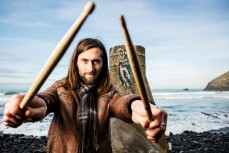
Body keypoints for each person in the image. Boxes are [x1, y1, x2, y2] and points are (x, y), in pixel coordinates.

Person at [3, 38, 167, 153]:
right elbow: (45, 99)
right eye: (85, 60)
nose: (91, 67)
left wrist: (140, 107)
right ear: (75, 62)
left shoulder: (108, 92)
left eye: (96, 61)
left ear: (103, 65)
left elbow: (122, 103)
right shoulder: (60, 88)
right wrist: (32, 105)